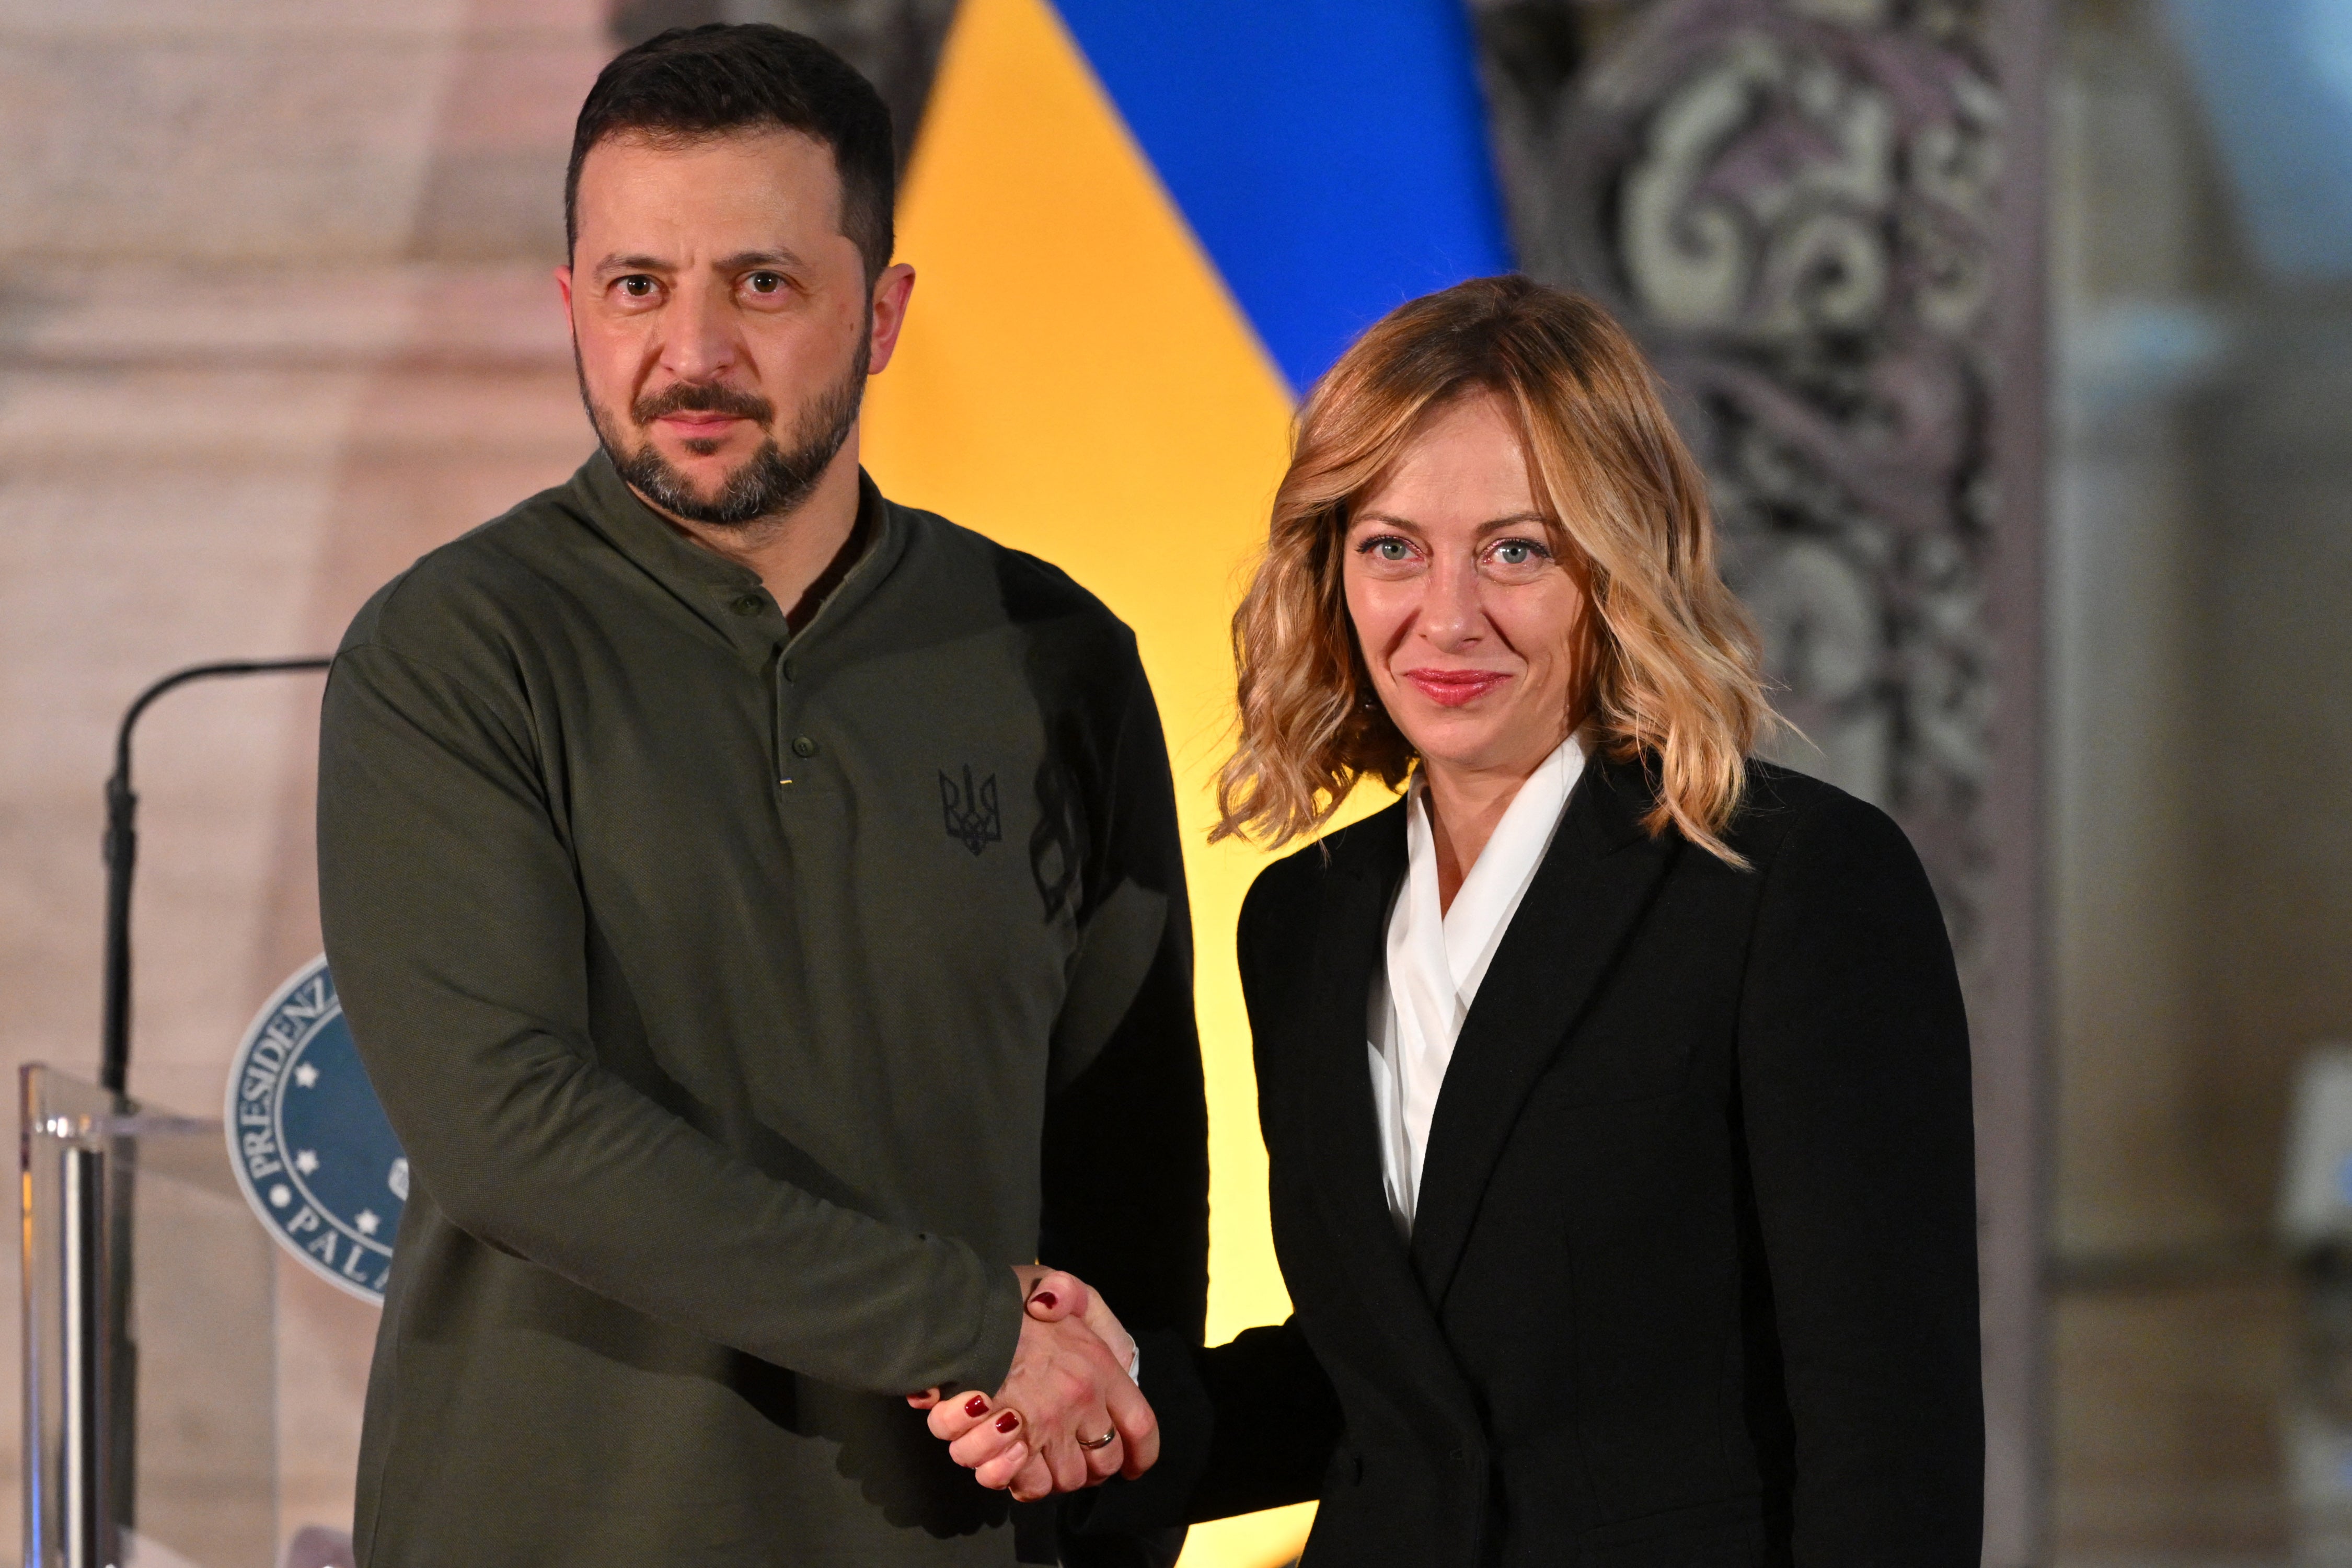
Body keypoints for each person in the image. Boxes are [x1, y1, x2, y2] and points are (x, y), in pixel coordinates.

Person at [315, 25, 1202, 1567]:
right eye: (636, 286)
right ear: (572, 306)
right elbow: (503, 1120)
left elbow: (1129, 1152)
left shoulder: (1052, 653)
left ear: (884, 311)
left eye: (764, 283)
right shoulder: (453, 648)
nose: (692, 353)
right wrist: (966, 1328)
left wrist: (1115, 1495)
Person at [928, 276, 1984, 1565]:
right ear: (1332, 568)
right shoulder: (1303, 923)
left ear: (1619, 563)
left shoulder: (1798, 885)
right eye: (1392, 547)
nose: (1447, 615)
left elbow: (1891, 1439)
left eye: (1516, 550)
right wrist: (1101, 1416)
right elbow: (1377, 1389)